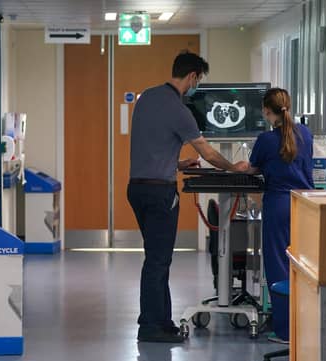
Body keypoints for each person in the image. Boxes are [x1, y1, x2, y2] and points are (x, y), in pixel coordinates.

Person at [128, 51, 250, 344]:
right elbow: (207, 152)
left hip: (138, 189)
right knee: (158, 261)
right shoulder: (178, 109)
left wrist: (177, 164)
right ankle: (150, 327)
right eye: (198, 80)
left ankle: (162, 320)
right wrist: (234, 169)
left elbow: (151, 146)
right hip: (160, 194)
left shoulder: (146, 98)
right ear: (193, 76)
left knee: (157, 258)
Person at [244, 88, 314, 344]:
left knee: (278, 266)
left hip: (278, 205)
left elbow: (252, 168)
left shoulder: (266, 140)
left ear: (266, 111)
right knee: (303, 267)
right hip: (305, 206)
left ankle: (285, 330)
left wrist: (243, 167)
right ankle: (305, 326)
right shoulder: (305, 134)